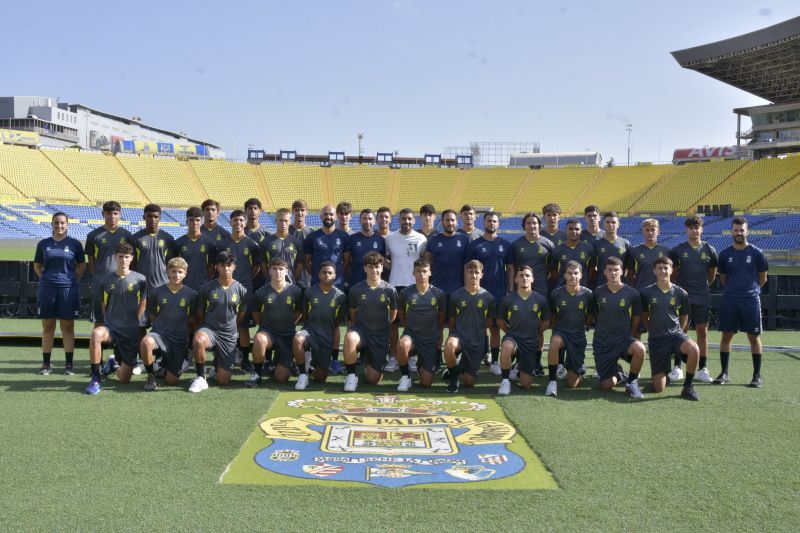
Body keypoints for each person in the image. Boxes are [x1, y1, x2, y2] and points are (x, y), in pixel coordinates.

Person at [84, 243, 148, 394]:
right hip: (111, 329)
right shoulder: (105, 280)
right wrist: (110, 320)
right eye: (120, 257)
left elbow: (143, 303)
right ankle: (95, 378)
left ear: (132, 258)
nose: (123, 260)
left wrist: (134, 321)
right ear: (115, 257)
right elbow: (103, 304)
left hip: (130, 331)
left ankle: (113, 364)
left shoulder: (141, 279)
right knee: (96, 334)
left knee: (124, 379)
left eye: (126, 257)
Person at [714, 216, 769, 387]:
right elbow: (723, 278)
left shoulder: (757, 253)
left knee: (753, 337)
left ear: (747, 232)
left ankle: (757, 376)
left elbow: (763, 279)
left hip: (750, 300)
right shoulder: (725, 254)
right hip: (730, 299)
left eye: (742, 230)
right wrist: (734, 290)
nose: (739, 233)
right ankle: (724, 373)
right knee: (726, 335)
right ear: (732, 231)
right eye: (736, 230)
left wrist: (749, 291)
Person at [640, 257, 700, 400]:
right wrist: (651, 330)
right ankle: (665, 372)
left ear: (672, 270)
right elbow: (644, 315)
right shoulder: (646, 292)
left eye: (666, 268)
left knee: (694, 349)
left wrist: (680, 331)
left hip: (675, 336)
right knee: (658, 388)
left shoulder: (681, 293)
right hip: (657, 340)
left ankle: (688, 387)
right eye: (659, 268)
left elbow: (684, 315)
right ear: (654, 271)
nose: (663, 271)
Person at [188, 251, 249, 392]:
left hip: (228, 334)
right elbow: (200, 312)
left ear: (234, 267)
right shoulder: (207, 288)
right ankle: (200, 377)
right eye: (222, 265)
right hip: (210, 330)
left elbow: (242, 313)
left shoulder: (241, 290)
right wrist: (204, 327)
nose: (226, 269)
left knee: (223, 381)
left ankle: (216, 366)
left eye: (229, 265)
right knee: (198, 339)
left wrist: (231, 326)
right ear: (217, 267)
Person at [34, 212, 85, 375]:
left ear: (67, 225)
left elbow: (81, 266)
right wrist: (46, 279)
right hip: (47, 289)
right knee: (48, 326)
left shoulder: (75, 244)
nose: (59, 226)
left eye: (62, 223)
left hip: (68, 289)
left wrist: (70, 280)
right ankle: (46, 364)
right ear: (52, 224)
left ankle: (69, 365)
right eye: (56, 223)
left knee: (67, 326)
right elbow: (37, 265)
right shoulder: (43, 244)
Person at [669, 215, 718, 383]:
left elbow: (711, 276)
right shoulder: (677, 250)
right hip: (683, 297)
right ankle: (677, 367)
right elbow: (673, 275)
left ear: (701, 229)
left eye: (697, 227)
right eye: (691, 228)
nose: (694, 230)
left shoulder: (710, 250)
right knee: (680, 332)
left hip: (702, 296)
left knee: (702, 332)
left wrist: (700, 287)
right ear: (686, 230)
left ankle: (702, 369)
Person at [590, 257, 646, 399]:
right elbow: (596, 314)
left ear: (622, 271)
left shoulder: (632, 293)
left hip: (623, 340)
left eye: (616, 270)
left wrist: (630, 336)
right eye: (610, 270)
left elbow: (636, 318)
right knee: (606, 386)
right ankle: (620, 375)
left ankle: (632, 382)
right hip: (603, 342)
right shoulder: (597, 293)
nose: (613, 273)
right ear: (604, 272)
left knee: (640, 348)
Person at [342, 251, 398, 391]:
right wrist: (361, 327)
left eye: (377, 267)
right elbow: (353, 314)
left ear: (382, 268)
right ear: (364, 268)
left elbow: (393, 313)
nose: (374, 270)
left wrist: (383, 326)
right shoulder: (356, 290)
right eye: (370, 267)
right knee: (350, 337)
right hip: (361, 331)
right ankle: (351, 375)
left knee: (373, 380)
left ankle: (369, 359)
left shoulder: (390, 290)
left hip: (379, 335)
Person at [139, 257, 197, 391]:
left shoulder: (192, 294)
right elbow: (152, 315)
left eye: (180, 272)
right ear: (168, 272)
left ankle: (170, 365)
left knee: (172, 381)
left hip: (178, 339)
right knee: (146, 342)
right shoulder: (156, 292)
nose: (177, 275)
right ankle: (151, 376)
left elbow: (192, 319)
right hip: (160, 335)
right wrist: (163, 324)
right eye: (173, 271)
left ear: (185, 273)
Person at [466, 212, 513, 372]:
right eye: (488, 221)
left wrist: (510, 290)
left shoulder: (505, 245)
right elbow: (468, 269)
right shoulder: (475, 245)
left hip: (499, 293)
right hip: (479, 293)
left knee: (495, 328)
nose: (491, 223)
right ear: (483, 223)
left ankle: (494, 361)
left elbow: (510, 268)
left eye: (494, 221)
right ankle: (474, 357)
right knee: (477, 327)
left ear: (498, 224)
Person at [247, 258, 303, 387]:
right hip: (268, 333)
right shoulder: (260, 293)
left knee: (281, 378)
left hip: (287, 335)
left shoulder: (296, 291)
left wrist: (288, 324)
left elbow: (298, 312)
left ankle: (280, 363)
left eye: (281, 269)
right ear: (269, 271)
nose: (278, 271)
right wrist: (265, 326)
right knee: (259, 339)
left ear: (286, 271)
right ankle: (257, 373)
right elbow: (256, 315)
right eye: (274, 269)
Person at [292, 262, 347, 390]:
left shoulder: (341, 296)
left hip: (326, 337)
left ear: (334, 276)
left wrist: (327, 328)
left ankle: (309, 368)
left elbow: (339, 319)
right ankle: (302, 374)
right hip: (310, 331)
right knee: (298, 339)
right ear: (319, 275)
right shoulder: (309, 292)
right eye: (324, 272)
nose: (327, 275)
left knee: (321, 378)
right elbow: (305, 315)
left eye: (330, 273)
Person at [496, 265, 550, 395]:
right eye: (521, 276)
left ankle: (517, 368)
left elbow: (546, 322)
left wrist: (535, 333)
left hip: (530, 342)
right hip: (514, 338)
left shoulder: (541, 300)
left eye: (527, 275)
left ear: (532, 279)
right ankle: (505, 381)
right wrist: (510, 333)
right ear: (516, 279)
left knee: (526, 384)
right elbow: (499, 321)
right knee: (507, 346)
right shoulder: (507, 300)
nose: (524, 278)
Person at [511, 212, 553, 375]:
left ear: (539, 225)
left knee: (539, 327)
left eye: (534, 223)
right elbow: (512, 267)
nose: (532, 225)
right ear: (524, 226)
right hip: (521, 291)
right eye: (528, 223)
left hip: (541, 289)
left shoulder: (548, 244)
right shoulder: (516, 245)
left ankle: (536, 361)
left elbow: (552, 268)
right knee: (520, 324)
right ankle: (519, 360)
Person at [385, 208, 427, 370]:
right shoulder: (390, 238)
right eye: (403, 219)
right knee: (393, 325)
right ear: (399, 220)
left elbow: (423, 263)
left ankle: (412, 356)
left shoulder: (421, 239)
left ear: (414, 221)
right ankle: (393, 357)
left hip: (414, 286)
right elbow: (386, 261)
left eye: (409, 219)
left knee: (413, 323)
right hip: (394, 286)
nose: (406, 221)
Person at [443, 260, 495, 392]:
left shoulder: (488, 298)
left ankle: (455, 367)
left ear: (481, 274)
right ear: (465, 273)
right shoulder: (455, 296)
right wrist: (453, 336)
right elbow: (452, 321)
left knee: (469, 382)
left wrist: (483, 343)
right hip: (459, 337)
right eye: (470, 272)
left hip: (476, 342)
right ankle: (454, 378)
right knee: (449, 346)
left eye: (477, 272)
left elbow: (488, 323)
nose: (474, 275)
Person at [219, 210, 261, 372]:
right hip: (225, 287)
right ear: (230, 222)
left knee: (243, 325)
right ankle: (222, 358)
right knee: (224, 322)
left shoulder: (252, 244)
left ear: (245, 222)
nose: (238, 223)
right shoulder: (222, 244)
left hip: (244, 288)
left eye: (241, 220)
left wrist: (246, 279)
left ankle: (245, 359)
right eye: (235, 220)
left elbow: (256, 266)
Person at [545, 261, 593, 397]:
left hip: (578, 337)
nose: (573, 276)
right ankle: (552, 381)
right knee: (555, 341)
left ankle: (576, 369)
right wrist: (557, 329)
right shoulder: (555, 294)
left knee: (572, 384)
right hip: (561, 333)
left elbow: (590, 316)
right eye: (570, 273)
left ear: (581, 275)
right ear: (564, 275)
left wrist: (583, 327)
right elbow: (553, 316)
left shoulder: (588, 294)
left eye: (576, 273)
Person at [397, 260, 446, 390]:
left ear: (430, 272)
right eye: (418, 271)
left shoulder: (439, 294)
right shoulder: (405, 293)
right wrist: (408, 328)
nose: (421, 274)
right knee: (402, 344)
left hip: (430, 340)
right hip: (412, 337)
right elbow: (401, 314)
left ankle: (421, 365)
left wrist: (436, 334)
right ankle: (406, 376)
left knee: (426, 383)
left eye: (424, 271)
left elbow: (441, 317)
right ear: (413, 272)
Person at [85, 200, 132, 325]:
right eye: (109, 213)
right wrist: (95, 277)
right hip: (101, 281)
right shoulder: (93, 235)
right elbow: (91, 259)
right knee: (99, 319)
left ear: (120, 215)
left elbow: (131, 259)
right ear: (103, 214)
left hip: (121, 281)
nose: (112, 216)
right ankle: (98, 338)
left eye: (115, 213)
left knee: (121, 317)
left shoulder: (127, 235)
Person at [304, 204, 351, 290]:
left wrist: (338, 274)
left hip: (337, 285)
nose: (328, 217)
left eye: (331, 214)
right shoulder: (312, 237)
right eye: (325, 214)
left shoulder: (344, 236)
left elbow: (347, 261)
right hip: (317, 284)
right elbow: (306, 261)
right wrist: (316, 275)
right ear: (321, 217)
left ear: (336, 217)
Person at [425, 209, 471, 297]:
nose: (450, 223)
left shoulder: (465, 240)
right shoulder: (434, 239)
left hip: (459, 289)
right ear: (442, 222)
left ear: (457, 222)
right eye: (447, 220)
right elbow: (426, 262)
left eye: (452, 220)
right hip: (437, 288)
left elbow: (468, 265)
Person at [173, 207, 217, 291]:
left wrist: (205, 281)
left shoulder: (210, 243)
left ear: (202, 222)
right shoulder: (178, 243)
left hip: (202, 287)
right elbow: (174, 266)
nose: (195, 223)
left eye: (197, 220)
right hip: (182, 287)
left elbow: (212, 267)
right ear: (186, 221)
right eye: (191, 220)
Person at [260, 208, 305, 285]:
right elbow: (263, 265)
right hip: (271, 285)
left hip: (290, 285)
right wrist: (271, 279)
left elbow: (299, 265)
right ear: (276, 221)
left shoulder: (296, 242)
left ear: (290, 221)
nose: (283, 223)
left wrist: (292, 279)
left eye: (286, 221)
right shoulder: (266, 242)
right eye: (280, 220)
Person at [549, 218, 595, 289]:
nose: (574, 231)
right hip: (562, 289)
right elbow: (553, 271)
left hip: (582, 289)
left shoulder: (588, 249)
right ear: (566, 230)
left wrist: (583, 280)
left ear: (581, 231)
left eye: (577, 229)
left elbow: (592, 268)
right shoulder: (557, 249)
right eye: (570, 229)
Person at [626, 218, 670, 291]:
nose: (650, 232)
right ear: (643, 231)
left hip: (661, 292)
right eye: (647, 230)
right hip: (641, 291)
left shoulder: (666, 251)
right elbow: (630, 274)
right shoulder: (634, 251)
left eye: (653, 230)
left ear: (658, 232)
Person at [348, 208, 386, 289]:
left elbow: (383, 262)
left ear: (374, 221)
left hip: (375, 284)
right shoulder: (352, 239)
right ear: (360, 221)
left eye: (370, 219)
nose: (367, 221)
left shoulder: (381, 240)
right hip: (355, 283)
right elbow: (346, 261)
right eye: (364, 218)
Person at [591, 211, 630, 288]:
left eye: (613, 222)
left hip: (620, 287)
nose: (610, 224)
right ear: (603, 224)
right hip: (601, 285)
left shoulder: (625, 243)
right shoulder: (596, 244)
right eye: (608, 222)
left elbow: (628, 268)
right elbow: (591, 268)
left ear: (618, 224)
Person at [289, 199, 314, 288]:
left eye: (302, 210)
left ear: (307, 212)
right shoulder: (286, 231)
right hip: (289, 272)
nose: (299, 213)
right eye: (297, 210)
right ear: (293, 212)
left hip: (306, 275)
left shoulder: (312, 233)